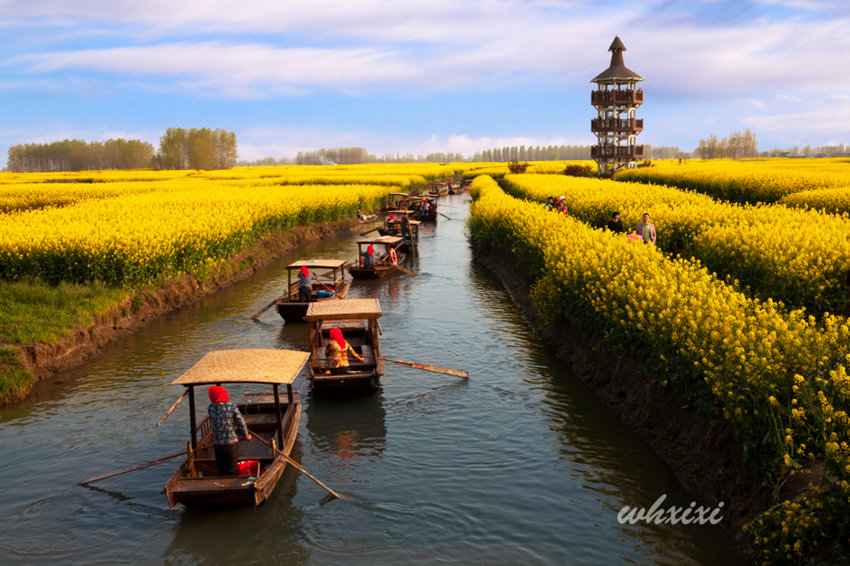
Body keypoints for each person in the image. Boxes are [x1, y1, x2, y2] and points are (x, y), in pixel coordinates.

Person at [208, 385, 251, 476]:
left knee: (221, 469)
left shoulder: (211, 408)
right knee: (231, 469)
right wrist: (246, 435)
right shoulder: (232, 406)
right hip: (230, 443)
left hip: (217, 444)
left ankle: (220, 485)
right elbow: (241, 422)